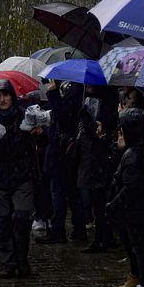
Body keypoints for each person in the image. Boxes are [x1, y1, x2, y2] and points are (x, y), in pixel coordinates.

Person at [0, 80, 43, 278]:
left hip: (22, 173)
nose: (3, 99)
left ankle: (22, 258)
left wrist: (39, 134)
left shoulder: (25, 116)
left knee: (22, 217)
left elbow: (41, 141)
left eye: (5, 95)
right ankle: (9, 263)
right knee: (2, 221)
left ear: (12, 96)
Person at [107, 108, 144, 287]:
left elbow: (131, 187)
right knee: (143, 246)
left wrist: (114, 205)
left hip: (137, 210)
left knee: (141, 247)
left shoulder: (135, 154)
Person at [37, 80, 87, 244]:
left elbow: (63, 116)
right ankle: (78, 229)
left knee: (58, 192)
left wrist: (53, 93)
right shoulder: (75, 89)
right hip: (63, 149)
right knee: (71, 193)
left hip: (62, 151)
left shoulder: (75, 91)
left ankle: (58, 230)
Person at [76, 84, 118, 253]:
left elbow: (98, 130)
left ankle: (103, 237)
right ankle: (103, 236)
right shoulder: (89, 99)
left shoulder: (107, 102)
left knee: (100, 200)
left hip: (99, 159)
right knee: (96, 199)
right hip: (90, 158)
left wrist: (87, 120)